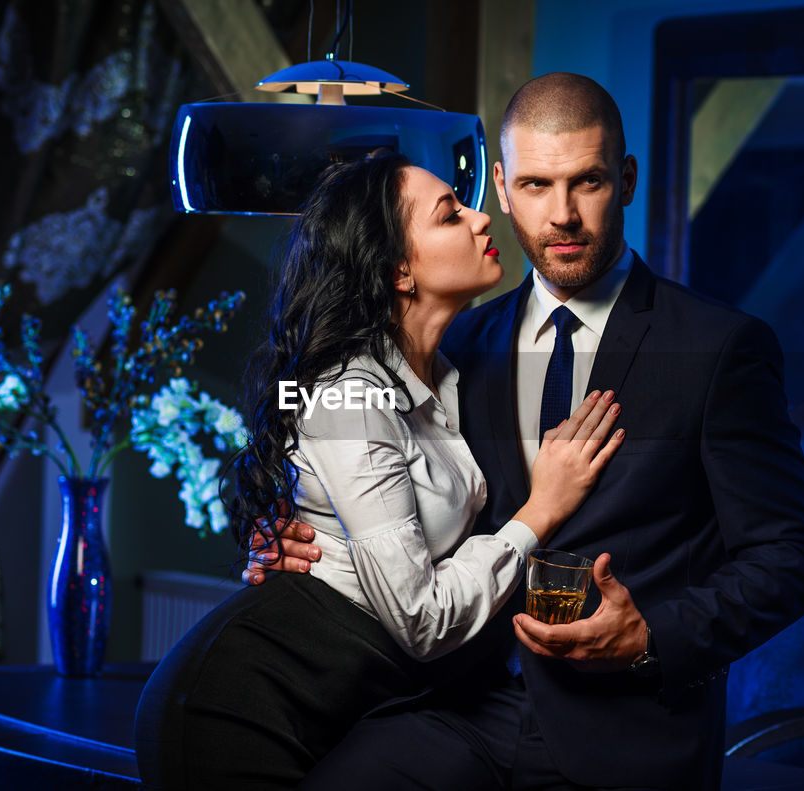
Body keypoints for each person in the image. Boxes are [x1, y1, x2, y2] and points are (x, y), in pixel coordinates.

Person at [253, 73, 804, 790]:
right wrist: (308, 541)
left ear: (624, 180)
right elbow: (397, 496)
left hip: (626, 734)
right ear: (500, 187)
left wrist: (652, 637)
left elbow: (794, 555)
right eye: (534, 185)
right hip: (457, 707)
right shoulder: (459, 343)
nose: (561, 214)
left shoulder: (720, 349)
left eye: (585, 182)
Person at [133, 151, 626, 789]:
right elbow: (420, 619)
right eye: (451, 216)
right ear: (398, 270)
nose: (483, 220)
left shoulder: (445, 375)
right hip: (240, 708)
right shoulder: (347, 393)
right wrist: (543, 509)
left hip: (352, 706)